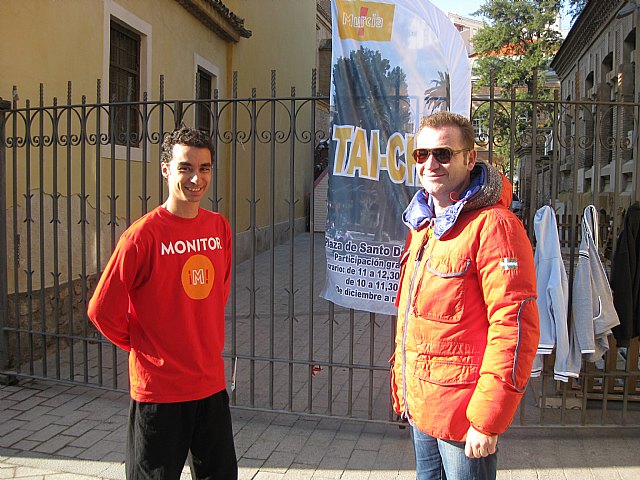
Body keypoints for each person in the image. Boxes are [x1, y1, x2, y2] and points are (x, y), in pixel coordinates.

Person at [390, 112, 540, 480]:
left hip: (464, 418)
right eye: (421, 154)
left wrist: (487, 420)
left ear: (470, 159)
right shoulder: (425, 225)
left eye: (443, 153)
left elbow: (514, 327)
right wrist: (402, 387)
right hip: (422, 406)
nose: (430, 163)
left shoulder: (494, 226)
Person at [87, 126, 237, 479]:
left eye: (205, 168)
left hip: (210, 386)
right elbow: (101, 310)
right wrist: (145, 346)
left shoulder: (219, 229)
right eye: (185, 167)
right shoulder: (142, 236)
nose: (196, 178)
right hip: (160, 392)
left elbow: (218, 294)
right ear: (166, 168)